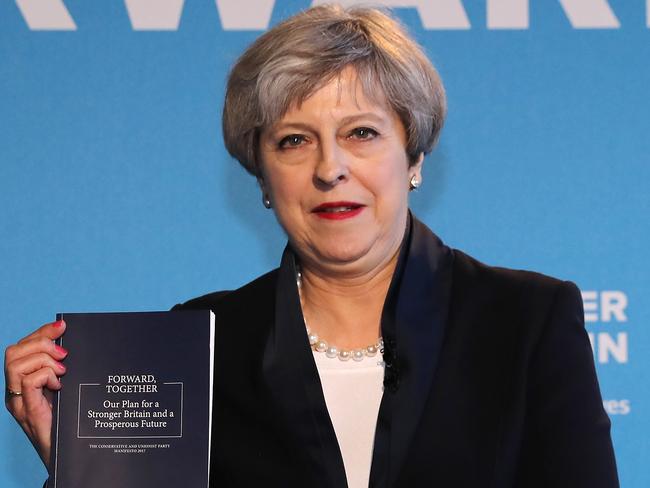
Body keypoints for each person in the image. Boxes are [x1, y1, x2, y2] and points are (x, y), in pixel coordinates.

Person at [5, 5, 618, 487]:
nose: (331, 169)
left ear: (414, 157)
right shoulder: (198, 341)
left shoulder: (526, 321)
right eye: (294, 141)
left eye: (361, 133)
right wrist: (85, 465)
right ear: (262, 178)